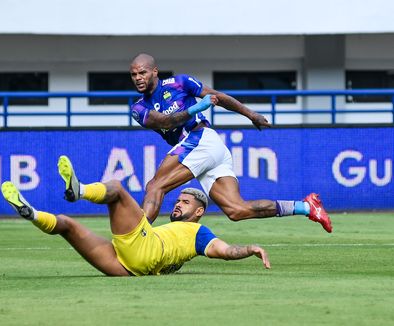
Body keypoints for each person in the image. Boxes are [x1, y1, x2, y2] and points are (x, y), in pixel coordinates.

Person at [127, 53, 332, 233]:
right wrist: (196, 109)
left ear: (155, 71)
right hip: (204, 149)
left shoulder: (179, 83)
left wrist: (251, 114)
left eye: (142, 73)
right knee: (236, 210)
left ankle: (137, 238)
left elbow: (219, 97)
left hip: (202, 139)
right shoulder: (138, 108)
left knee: (155, 186)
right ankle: (306, 207)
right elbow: (166, 121)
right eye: (134, 75)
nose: (138, 78)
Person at [1, 155, 270, 276]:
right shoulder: (173, 230)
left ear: (199, 212)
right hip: (127, 268)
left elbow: (224, 250)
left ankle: (79, 190)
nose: (177, 204)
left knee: (116, 188)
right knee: (67, 224)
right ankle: (32, 213)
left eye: (185, 202)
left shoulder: (199, 233)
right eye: (177, 200)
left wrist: (250, 248)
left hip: (145, 250)